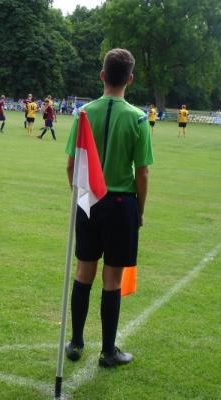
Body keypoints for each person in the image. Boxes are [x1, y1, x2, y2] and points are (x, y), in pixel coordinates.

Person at [64, 48, 153, 368]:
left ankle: (75, 342)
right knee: (112, 280)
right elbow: (141, 172)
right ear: (130, 79)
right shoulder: (139, 118)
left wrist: (82, 197)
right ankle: (108, 351)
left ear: (102, 75)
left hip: (89, 201)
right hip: (121, 204)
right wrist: (139, 210)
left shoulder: (83, 113)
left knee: (84, 272)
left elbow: (72, 165)